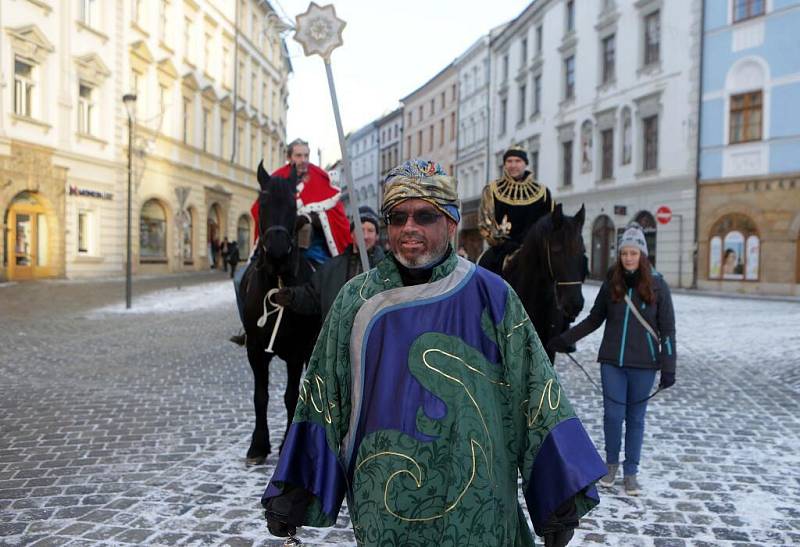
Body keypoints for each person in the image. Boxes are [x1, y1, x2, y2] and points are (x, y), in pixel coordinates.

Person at [261, 159, 605, 547]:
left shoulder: (493, 295)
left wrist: (556, 496)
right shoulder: (354, 302)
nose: (409, 227)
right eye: (398, 217)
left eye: (425, 215)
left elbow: (537, 391)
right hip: (384, 509)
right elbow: (323, 398)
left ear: (452, 223)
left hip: (481, 506)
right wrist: (296, 489)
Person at [547, 223, 676, 497]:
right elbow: (595, 319)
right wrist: (565, 337)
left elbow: (668, 330)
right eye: (624, 253)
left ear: (642, 254)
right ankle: (611, 464)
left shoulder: (657, 285)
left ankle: (631, 472)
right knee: (613, 416)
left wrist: (669, 367)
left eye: (633, 252)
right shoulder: (612, 282)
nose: (629, 257)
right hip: (612, 362)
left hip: (644, 364)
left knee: (636, 418)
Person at [229, 140, 353, 345]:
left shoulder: (322, 180)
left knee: (331, 282)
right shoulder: (277, 179)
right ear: (289, 157)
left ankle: (327, 331)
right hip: (279, 249)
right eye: (298, 156)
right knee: (239, 278)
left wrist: (314, 219)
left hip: (314, 249)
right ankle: (249, 329)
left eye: (306, 155)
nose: (303, 160)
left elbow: (335, 218)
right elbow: (261, 211)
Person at [272, 206, 385, 319]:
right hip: (338, 335)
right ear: (352, 234)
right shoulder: (331, 268)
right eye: (360, 230)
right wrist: (292, 296)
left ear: (376, 236)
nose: (364, 236)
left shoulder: (387, 269)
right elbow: (312, 297)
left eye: (370, 231)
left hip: (373, 335)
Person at [478, 145, 554, 275]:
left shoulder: (543, 192)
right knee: (483, 268)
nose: (513, 165)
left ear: (525, 164)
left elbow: (550, 223)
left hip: (535, 249)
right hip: (502, 250)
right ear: (505, 164)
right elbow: (486, 222)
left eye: (518, 161)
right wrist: (502, 243)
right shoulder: (492, 190)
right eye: (509, 161)